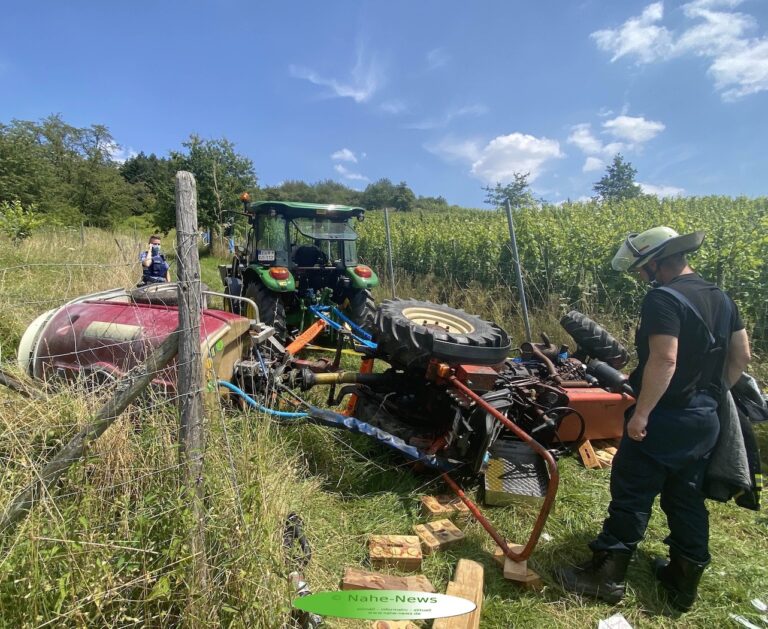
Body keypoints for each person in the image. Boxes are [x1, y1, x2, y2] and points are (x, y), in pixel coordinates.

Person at [556, 226, 751, 610]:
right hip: (703, 418)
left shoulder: (664, 299)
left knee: (632, 491)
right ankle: (681, 583)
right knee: (686, 497)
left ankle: (605, 577)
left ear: (656, 262)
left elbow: (665, 358)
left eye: (642, 269)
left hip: (665, 416)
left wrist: (642, 413)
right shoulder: (722, 297)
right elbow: (741, 356)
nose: (641, 276)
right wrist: (710, 394)